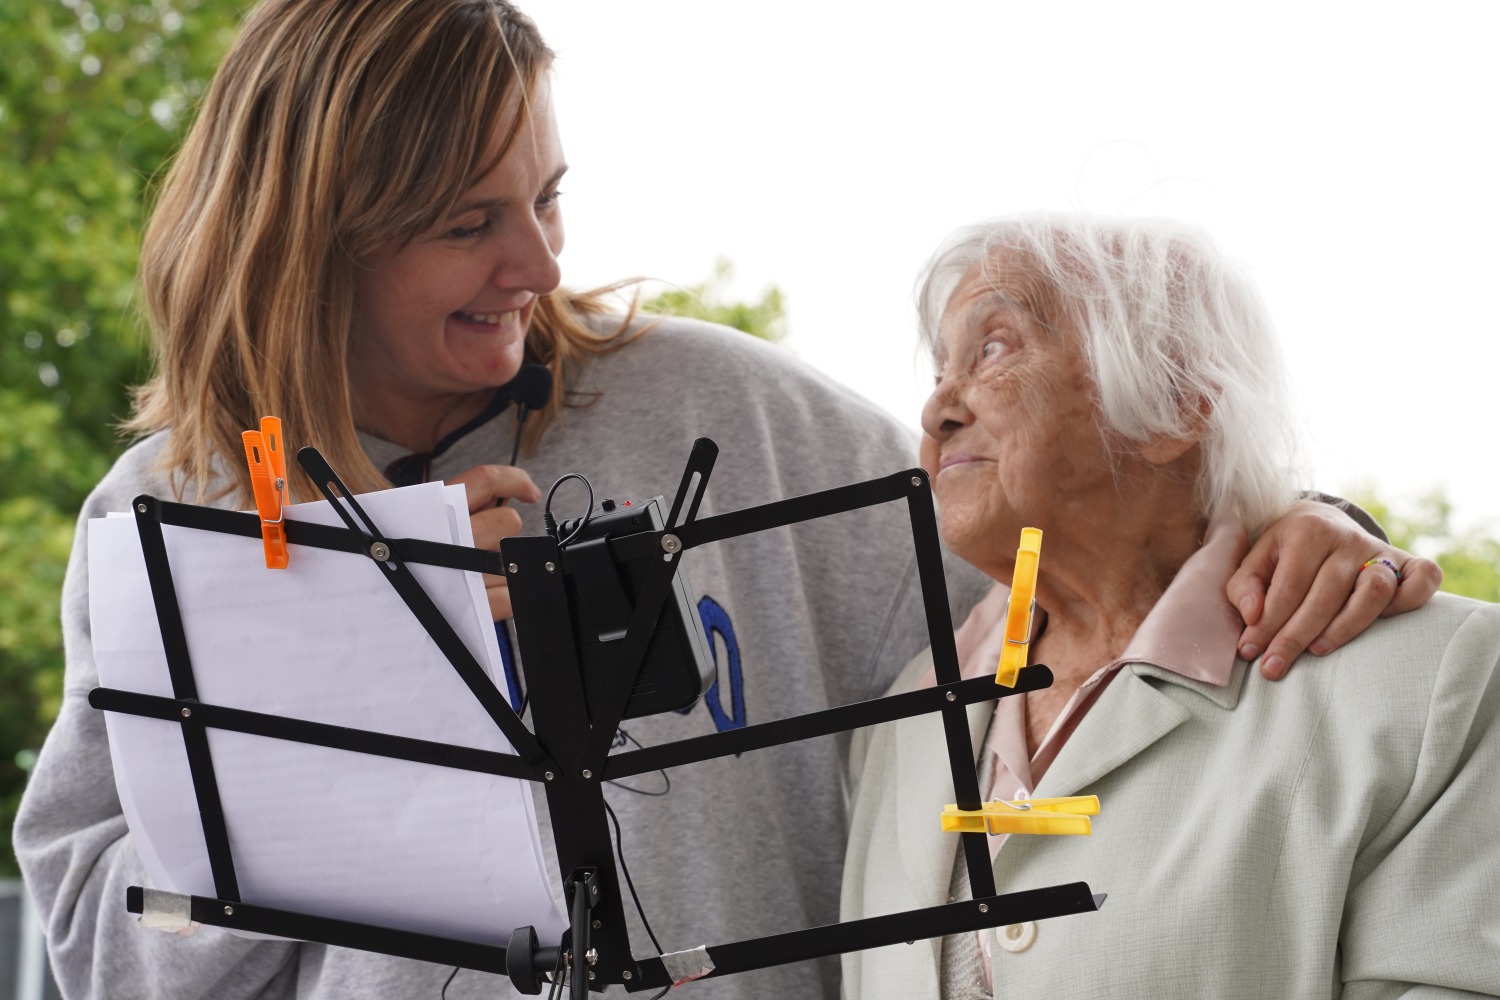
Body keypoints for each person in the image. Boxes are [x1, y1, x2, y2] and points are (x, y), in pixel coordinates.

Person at [12, 1, 1437, 998]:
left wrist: (1287, 522)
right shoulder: (163, 522)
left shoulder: (728, 410)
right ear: (310, 242)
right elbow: (100, 956)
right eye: (470, 224)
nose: (537, 262)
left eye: (548, 197)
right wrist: (389, 677)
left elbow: (1079, 588)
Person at [840, 213, 1500, 999]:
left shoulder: (1433, 685)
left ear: (1176, 403)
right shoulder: (902, 725)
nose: (937, 410)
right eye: (940, 369)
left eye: (993, 348)